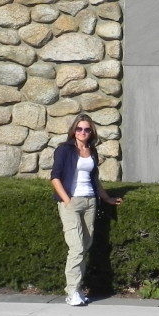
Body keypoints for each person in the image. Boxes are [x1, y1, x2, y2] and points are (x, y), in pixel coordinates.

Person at [50, 114, 122, 306]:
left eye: (87, 129)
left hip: (90, 201)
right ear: (74, 130)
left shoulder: (92, 151)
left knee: (86, 244)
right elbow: (55, 177)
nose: (83, 132)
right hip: (71, 202)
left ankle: (78, 289)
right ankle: (71, 291)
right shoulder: (64, 150)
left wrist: (106, 198)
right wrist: (67, 200)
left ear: (91, 132)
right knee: (76, 247)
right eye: (80, 129)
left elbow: (94, 178)